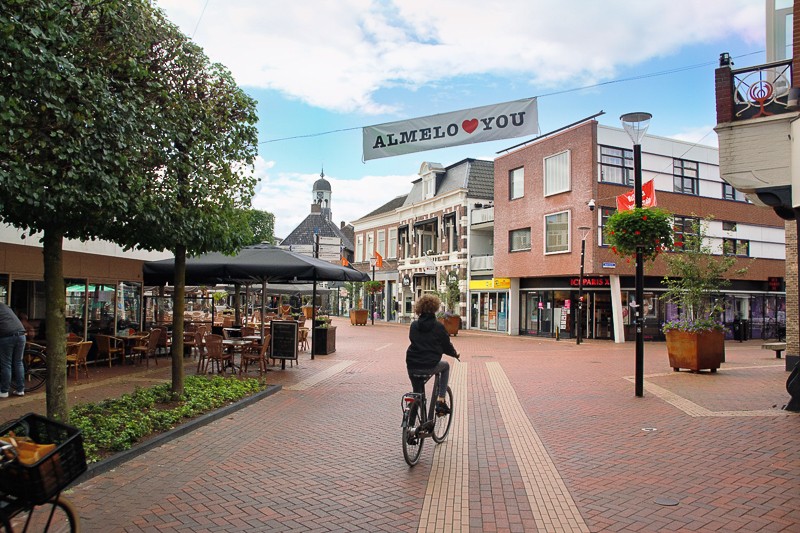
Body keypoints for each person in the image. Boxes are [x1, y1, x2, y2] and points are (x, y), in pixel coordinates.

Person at [405, 294, 459, 416]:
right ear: (435, 308)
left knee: (417, 394)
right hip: (429, 365)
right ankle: (441, 400)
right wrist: (455, 354)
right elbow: (446, 345)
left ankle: (410, 424)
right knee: (445, 366)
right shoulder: (438, 326)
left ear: (419, 308)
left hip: (412, 365)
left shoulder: (414, 325)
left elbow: (413, 340)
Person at [0, 302, 27, 398]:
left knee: (6, 364)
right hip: (21, 335)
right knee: (18, 362)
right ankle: (20, 390)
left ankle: (4, 391)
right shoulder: (4, 306)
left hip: (7, 337)